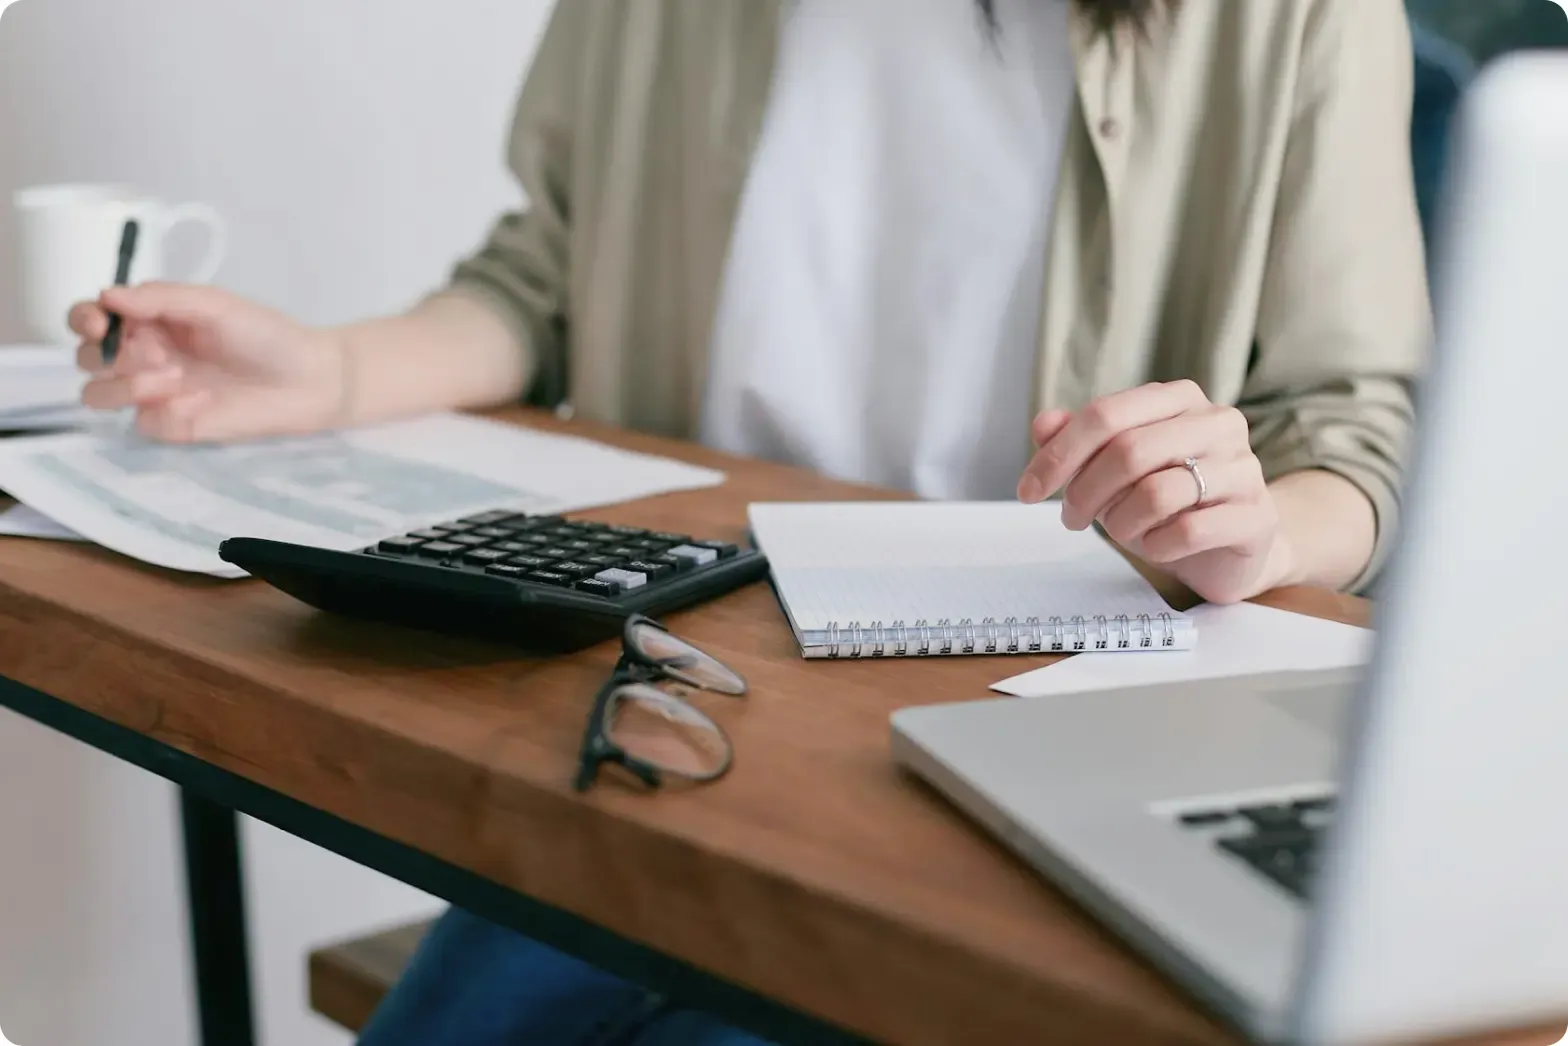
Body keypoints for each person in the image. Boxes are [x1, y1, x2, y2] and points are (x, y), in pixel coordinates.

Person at [67, 0, 1430, 1041]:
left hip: (1033, 711)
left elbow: (1351, 431)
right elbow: (544, 282)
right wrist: (336, 372)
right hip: (676, 680)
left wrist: (1256, 529)